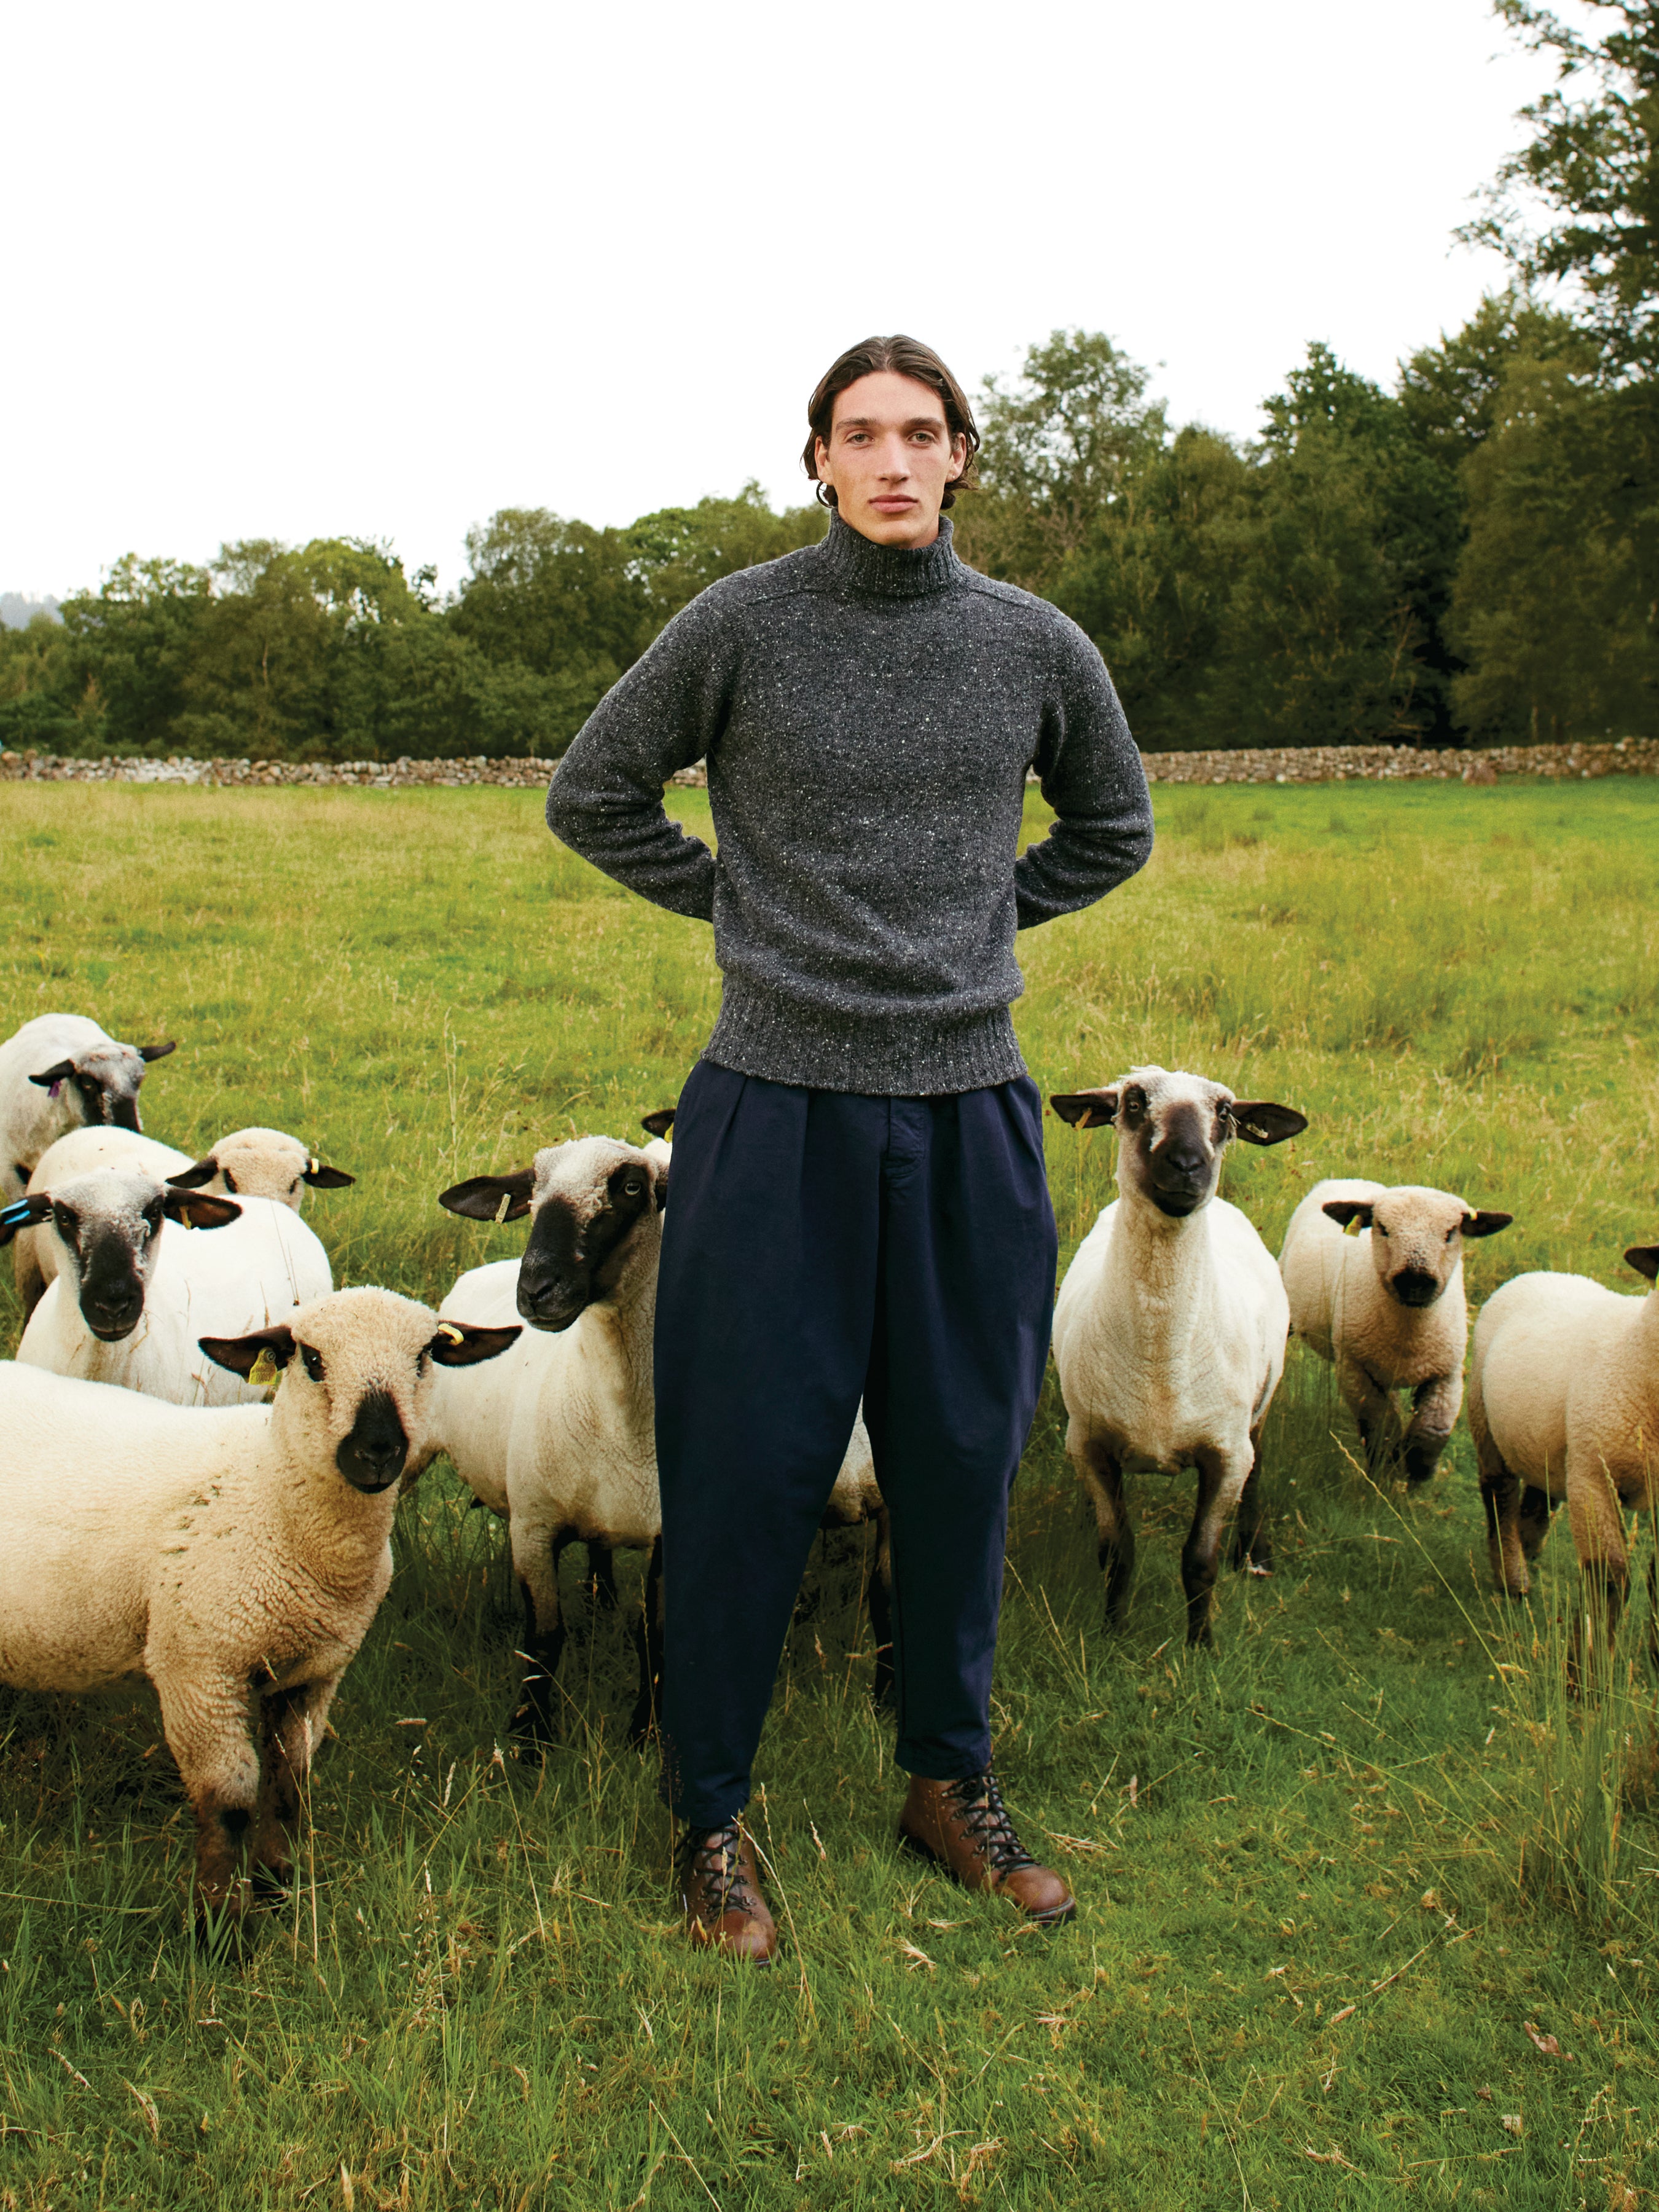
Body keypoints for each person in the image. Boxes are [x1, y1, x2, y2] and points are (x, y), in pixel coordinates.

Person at [546, 334, 1153, 1963]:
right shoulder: (739, 626)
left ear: (962, 458)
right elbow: (593, 793)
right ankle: (714, 1815)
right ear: (816, 458)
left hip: (968, 1111)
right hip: (773, 1106)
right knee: (744, 1465)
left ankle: (945, 1780)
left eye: (921, 434)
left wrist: (970, 919)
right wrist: (746, 908)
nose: (891, 460)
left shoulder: (1031, 646)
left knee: (962, 1454)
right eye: (858, 434)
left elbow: (1115, 826)